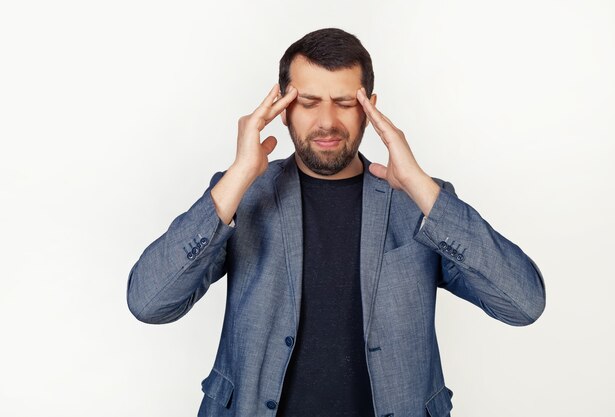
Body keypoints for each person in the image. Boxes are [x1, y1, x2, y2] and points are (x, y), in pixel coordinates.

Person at [126, 27, 546, 417]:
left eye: (345, 103)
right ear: (283, 111)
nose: (327, 121)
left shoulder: (417, 203)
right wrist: (238, 176)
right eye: (308, 103)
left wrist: (419, 185)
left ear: (369, 110)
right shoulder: (242, 195)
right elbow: (150, 303)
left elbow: (523, 305)